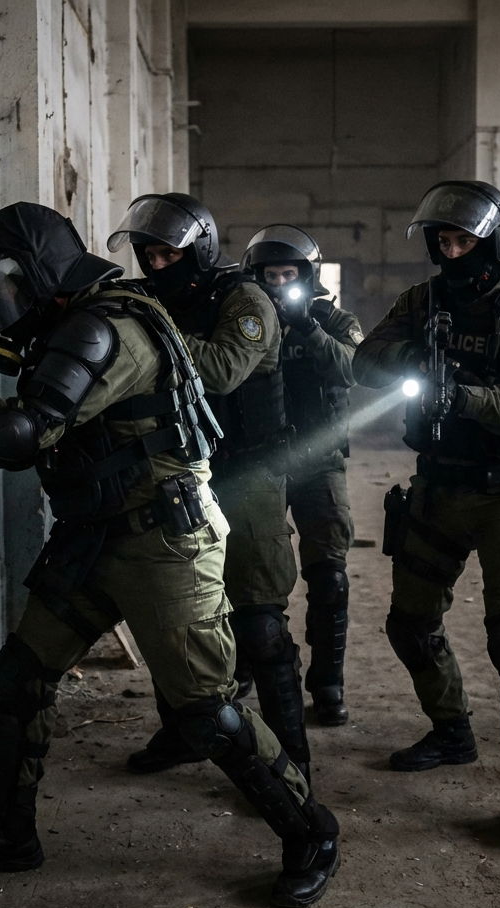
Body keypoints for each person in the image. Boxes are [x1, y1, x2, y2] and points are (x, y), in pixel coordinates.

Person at [0, 202, 339, 907]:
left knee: (205, 710)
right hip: (95, 532)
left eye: (6, 280)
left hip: (162, 541)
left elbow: (25, 434)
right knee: (22, 676)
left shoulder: (102, 328)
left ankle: (311, 830)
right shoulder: (77, 323)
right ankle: (6, 834)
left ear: (41, 272)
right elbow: (38, 424)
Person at [351, 180, 500, 846]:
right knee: (410, 624)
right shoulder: (422, 302)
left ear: (493, 241)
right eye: (442, 241)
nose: (450, 252)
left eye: (462, 240)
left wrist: (467, 398)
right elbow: (366, 359)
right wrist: (422, 358)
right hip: (440, 483)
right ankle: (451, 731)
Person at [104, 193, 313, 779]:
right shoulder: (144, 301)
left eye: (168, 254)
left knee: (260, 622)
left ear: (198, 250)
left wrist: (145, 339)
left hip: (246, 473)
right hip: (175, 476)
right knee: (174, 613)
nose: (156, 265)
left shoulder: (243, 299)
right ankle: (183, 734)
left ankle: (291, 761)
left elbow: (222, 370)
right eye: (148, 255)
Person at [241, 224, 364, 726]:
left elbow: (353, 370)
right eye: (270, 276)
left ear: (307, 276)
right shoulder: (243, 321)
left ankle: (328, 683)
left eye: (288, 275)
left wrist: (308, 328)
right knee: (248, 578)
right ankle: (245, 667)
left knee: (329, 576)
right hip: (260, 463)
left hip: (319, 462)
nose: (279, 285)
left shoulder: (334, 321)